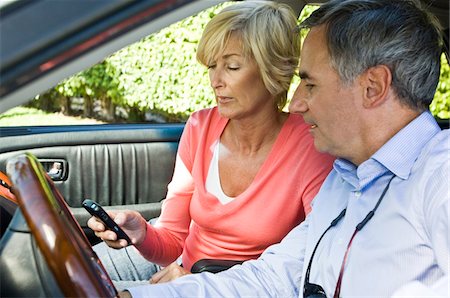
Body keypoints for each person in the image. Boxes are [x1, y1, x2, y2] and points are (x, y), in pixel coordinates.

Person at [119, 0, 449, 297]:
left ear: (372, 87)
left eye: (310, 84)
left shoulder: (440, 175)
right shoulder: (345, 181)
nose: (297, 102)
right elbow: (272, 278)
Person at [88, 0, 334, 289]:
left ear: (274, 70)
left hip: (239, 289)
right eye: (212, 66)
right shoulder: (200, 127)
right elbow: (173, 241)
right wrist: (141, 232)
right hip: (181, 272)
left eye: (231, 66)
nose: (215, 81)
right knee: (68, 272)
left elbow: (317, 259)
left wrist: (198, 284)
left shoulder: (310, 144)